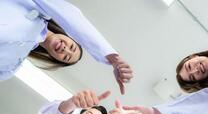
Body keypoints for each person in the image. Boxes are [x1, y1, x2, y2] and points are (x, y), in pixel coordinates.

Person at [0, 0, 133, 94]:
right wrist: (111, 57)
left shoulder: (11, 66)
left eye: (66, 57)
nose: (65, 49)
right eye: (72, 47)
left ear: (54, 58)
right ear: (70, 35)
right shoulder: (40, 8)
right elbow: (72, 17)